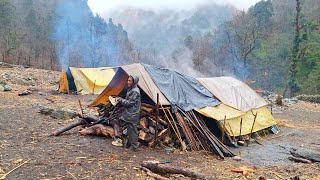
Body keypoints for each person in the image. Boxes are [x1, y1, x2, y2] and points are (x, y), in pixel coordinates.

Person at [116, 75, 141, 151]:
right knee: (130, 130)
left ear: (134, 82)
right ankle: (131, 144)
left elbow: (130, 103)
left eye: (130, 81)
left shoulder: (135, 91)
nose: (128, 82)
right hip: (130, 113)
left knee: (132, 130)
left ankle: (134, 146)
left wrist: (121, 100)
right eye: (128, 80)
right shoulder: (131, 89)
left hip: (132, 114)